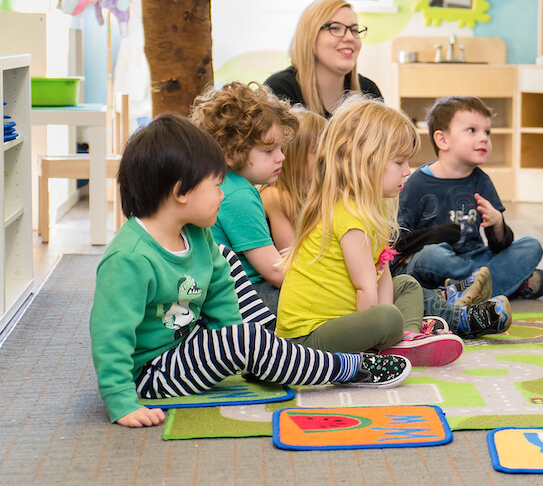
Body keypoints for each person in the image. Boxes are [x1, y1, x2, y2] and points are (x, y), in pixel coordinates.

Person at [90, 115, 411, 428]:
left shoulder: (197, 235)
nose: (222, 195)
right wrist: (121, 401)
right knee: (243, 340)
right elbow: (110, 336)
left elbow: (220, 297)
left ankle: (268, 351)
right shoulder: (128, 259)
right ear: (181, 192)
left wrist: (242, 347)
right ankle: (346, 368)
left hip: (191, 344)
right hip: (152, 372)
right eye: (217, 186)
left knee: (227, 263)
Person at [275, 98, 464, 367]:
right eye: (399, 162)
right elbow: (366, 288)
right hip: (308, 339)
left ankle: (405, 339)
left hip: (345, 317)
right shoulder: (349, 217)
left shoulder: (369, 212)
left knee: (407, 285)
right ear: (366, 162)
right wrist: (379, 330)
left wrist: (385, 321)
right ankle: (391, 342)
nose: (408, 171)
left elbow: (381, 275)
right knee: (387, 318)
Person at [394, 96, 543, 300]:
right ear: (443, 140)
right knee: (433, 256)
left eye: (487, 132)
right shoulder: (417, 183)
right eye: (472, 130)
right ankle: (498, 283)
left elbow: (499, 245)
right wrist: (437, 236)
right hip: (438, 261)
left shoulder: (481, 181)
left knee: (531, 245)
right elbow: (400, 240)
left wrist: (498, 223)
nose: (484, 138)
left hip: (475, 257)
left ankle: (462, 290)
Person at [190, 81, 298, 312]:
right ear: (230, 154)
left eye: (280, 149)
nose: (281, 158)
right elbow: (275, 271)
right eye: (269, 151)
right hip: (242, 296)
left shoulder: (224, 183)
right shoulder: (238, 193)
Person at [264, 0, 383, 118]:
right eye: (335, 28)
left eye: (354, 30)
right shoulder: (280, 91)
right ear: (310, 36)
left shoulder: (369, 91)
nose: (350, 37)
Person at [260, 107, 326, 250]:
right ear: (293, 157)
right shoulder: (275, 196)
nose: (325, 158)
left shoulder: (308, 194)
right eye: (317, 151)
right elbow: (290, 255)